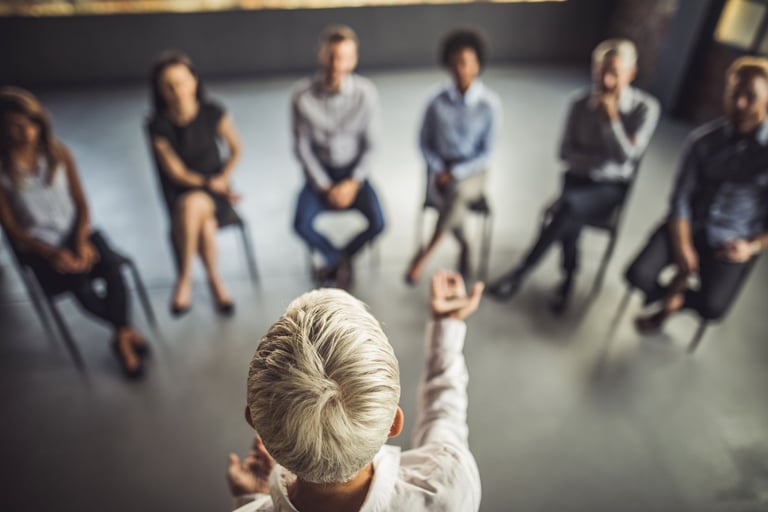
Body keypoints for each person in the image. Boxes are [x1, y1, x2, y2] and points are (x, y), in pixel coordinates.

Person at [226, 269, 484, 511]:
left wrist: (253, 499)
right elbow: (444, 419)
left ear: (255, 422)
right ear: (394, 423)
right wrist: (446, 327)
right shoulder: (449, 487)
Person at [487, 39, 660, 313]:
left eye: (614, 72)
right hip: (575, 181)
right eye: (600, 71)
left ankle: (521, 273)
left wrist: (610, 121)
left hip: (609, 191)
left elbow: (627, 158)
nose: (605, 79)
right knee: (571, 212)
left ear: (631, 73)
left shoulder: (645, 108)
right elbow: (565, 153)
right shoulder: (579, 103)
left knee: (567, 210)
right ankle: (567, 279)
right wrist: (601, 160)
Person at [0, 87, 148, 378]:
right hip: (41, 247)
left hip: (78, 231)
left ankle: (121, 335)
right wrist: (53, 253)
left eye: (31, 123)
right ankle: (125, 333)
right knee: (80, 286)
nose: (26, 132)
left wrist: (81, 240)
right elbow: (13, 229)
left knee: (111, 269)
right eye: (16, 127)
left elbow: (81, 202)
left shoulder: (58, 152)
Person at [626, 56, 768, 332]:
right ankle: (668, 295)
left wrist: (750, 246)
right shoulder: (702, 141)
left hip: (731, 241)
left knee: (713, 308)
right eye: (734, 93)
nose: (738, 103)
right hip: (688, 226)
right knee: (637, 275)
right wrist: (683, 246)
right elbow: (680, 200)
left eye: (749, 97)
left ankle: (673, 302)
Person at [147, 50, 242, 316]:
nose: (177, 90)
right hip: (183, 192)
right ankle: (215, 282)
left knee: (193, 207)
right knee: (203, 222)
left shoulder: (213, 111)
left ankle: (185, 278)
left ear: (194, 81)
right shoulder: (157, 125)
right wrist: (213, 183)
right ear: (159, 90)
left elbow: (235, 149)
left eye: (182, 81)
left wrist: (223, 179)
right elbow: (176, 172)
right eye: (169, 85)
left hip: (215, 192)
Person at [292, 25, 386, 290]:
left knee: (379, 223)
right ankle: (337, 259)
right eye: (331, 55)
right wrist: (324, 185)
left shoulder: (366, 93)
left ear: (353, 60)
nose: (336, 63)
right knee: (300, 224)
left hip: (353, 173)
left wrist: (352, 183)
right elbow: (302, 149)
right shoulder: (301, 96)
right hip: (320, 176)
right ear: (321, 55)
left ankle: (339, 259)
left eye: (343, 57)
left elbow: (371, 146)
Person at [405, 29, 501, 284]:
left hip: (472, 172)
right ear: (447, 64)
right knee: (452, 201)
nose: (461, 68)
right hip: (439, 170)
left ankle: (424, 255)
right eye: (456, 62)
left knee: (457, 193)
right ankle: (466, 246)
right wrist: (438, 168)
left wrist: (455, 173)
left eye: (467, 62)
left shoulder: (489, 104)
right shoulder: (435, 101)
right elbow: (423, 142)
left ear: (478, 65)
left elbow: (487, 153)